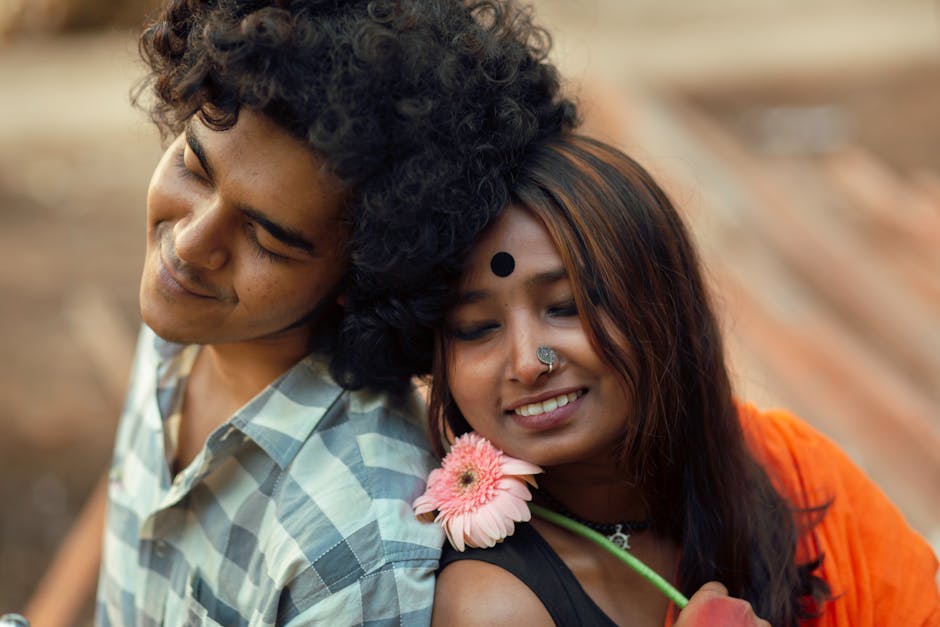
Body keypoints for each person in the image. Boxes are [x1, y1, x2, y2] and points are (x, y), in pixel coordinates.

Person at [25, 1, 576, 625]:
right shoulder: (195, 322)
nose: (187, 245)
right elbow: (131, 498)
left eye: (267, 240)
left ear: (364, 274)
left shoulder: (352, 555)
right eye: (193, 168)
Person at [401, 134, 939, 625]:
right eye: (476, 329)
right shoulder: (496, 605)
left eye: (566, 307)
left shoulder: (789, 465)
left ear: (665, 304)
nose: (526, 362)